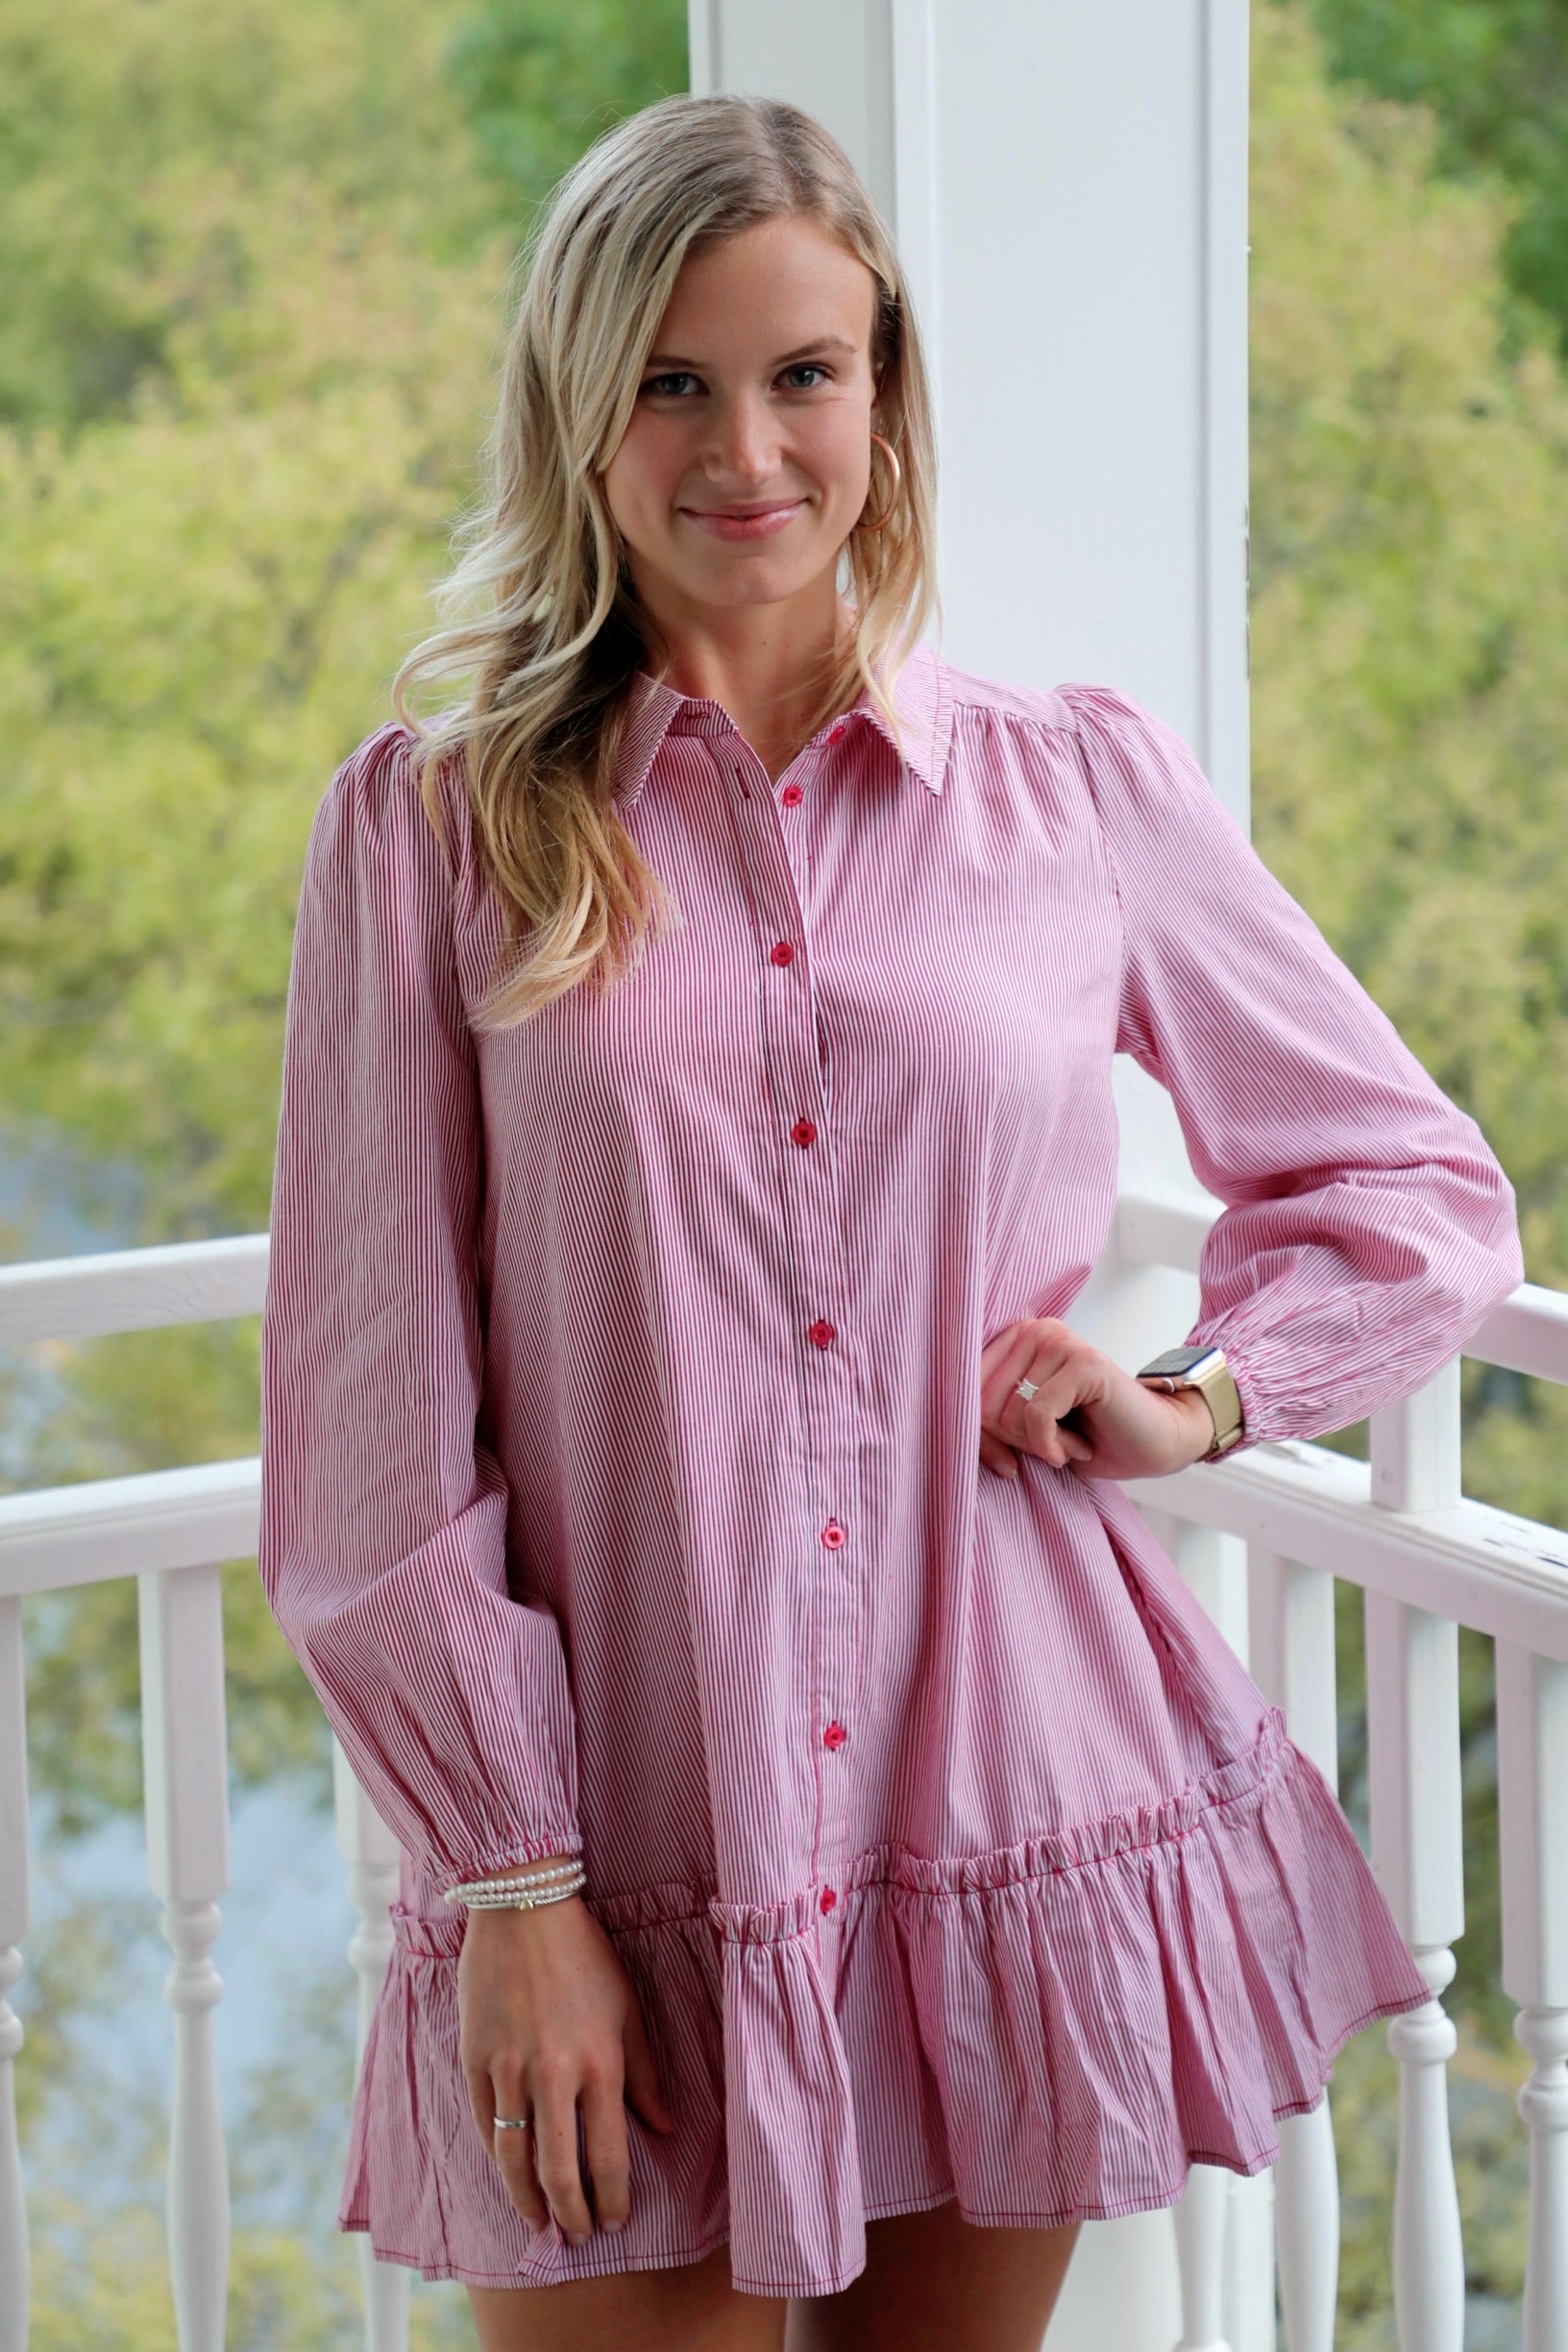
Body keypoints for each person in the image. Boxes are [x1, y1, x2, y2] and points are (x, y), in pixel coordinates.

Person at [256, 90, 1524, 2352]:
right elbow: (372, 1428)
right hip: (613, 1850)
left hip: (1005, 1809)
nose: (746, 448)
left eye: (804, 374)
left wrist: (1202, 1395)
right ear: (577, 406)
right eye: (672, 381)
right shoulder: (440, 831)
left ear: (884, 392)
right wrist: (514, 1885)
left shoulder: (1077, 790)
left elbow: (1413, 1190)